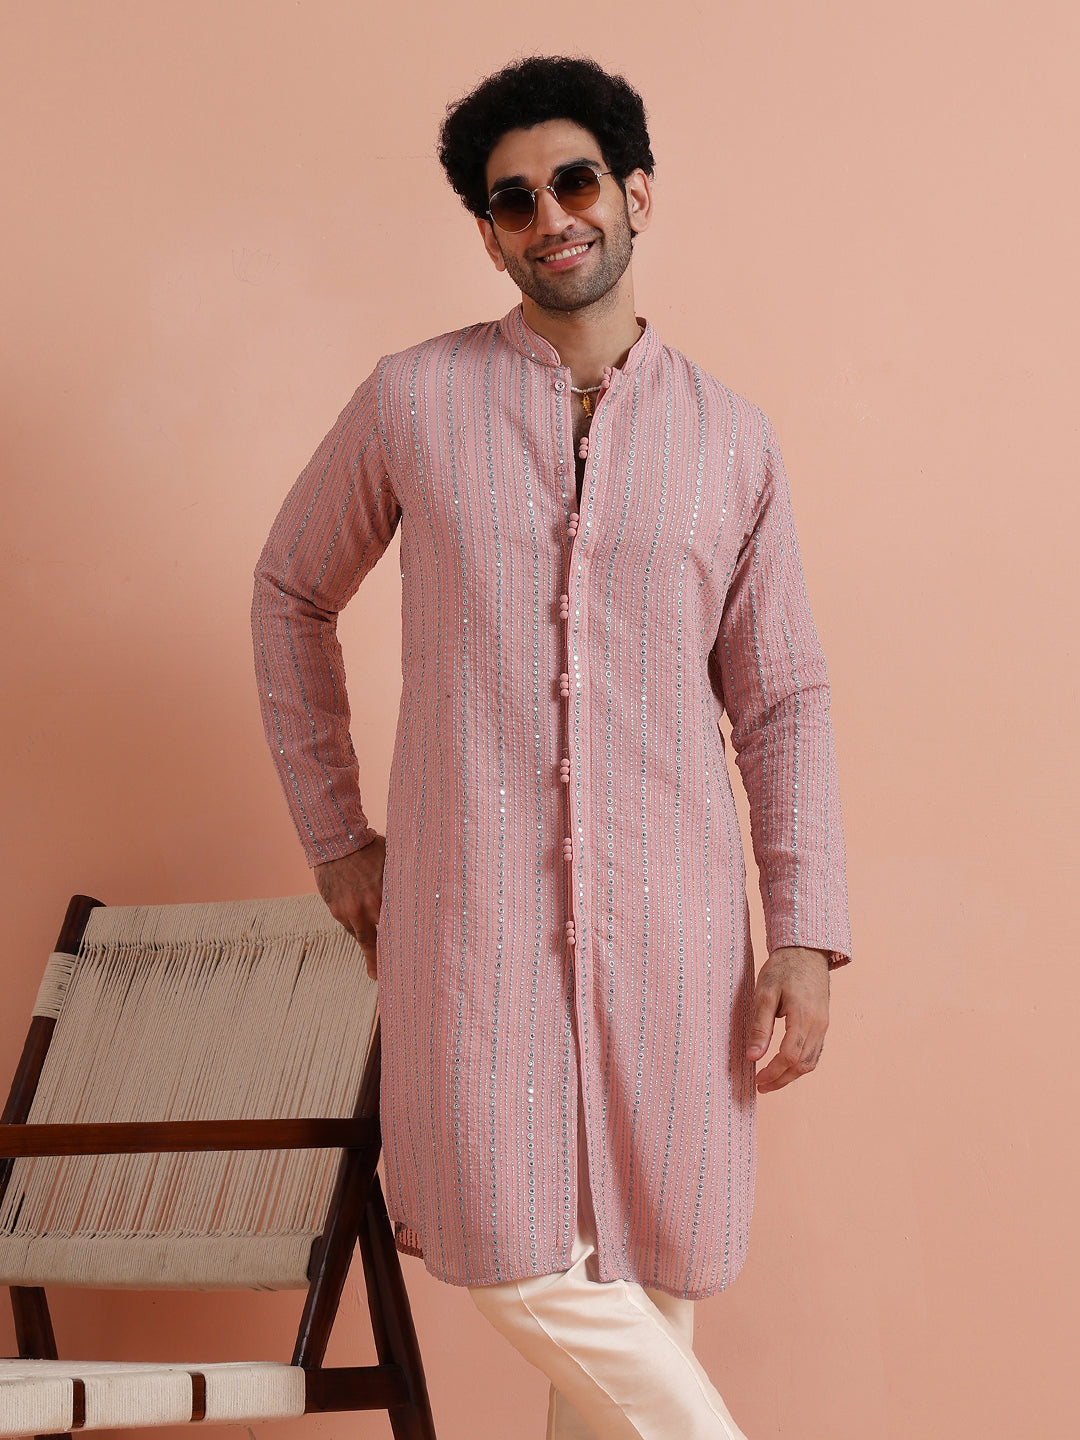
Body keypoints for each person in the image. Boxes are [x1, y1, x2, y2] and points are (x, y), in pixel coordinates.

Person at [252, 54, 851, 1440]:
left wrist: (807, 933)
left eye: (574, 182)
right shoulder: (412, 401)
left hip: (677, 930)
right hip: (470, 921)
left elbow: (782, 699)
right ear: (488, 234)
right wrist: (336, 834)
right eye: (512, 201)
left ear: (635, 192)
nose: (550, 218)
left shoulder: (731, 443)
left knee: (648, 1278)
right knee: (516, 1251)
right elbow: (290, 591)